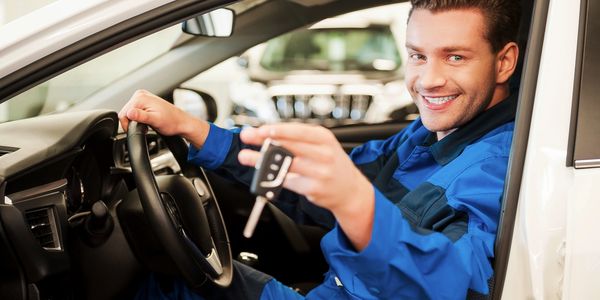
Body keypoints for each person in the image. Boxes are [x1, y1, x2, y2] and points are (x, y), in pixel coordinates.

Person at [121, 0, 521, 298]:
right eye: (418, 55)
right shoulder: (424, 136)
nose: (428, 80)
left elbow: (456, 284)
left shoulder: (499, 167)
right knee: (171, 277)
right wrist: (195, 130)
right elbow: (328, 176)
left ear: (503, 63)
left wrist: (357, 203)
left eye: (455, 57)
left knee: (168, 287)